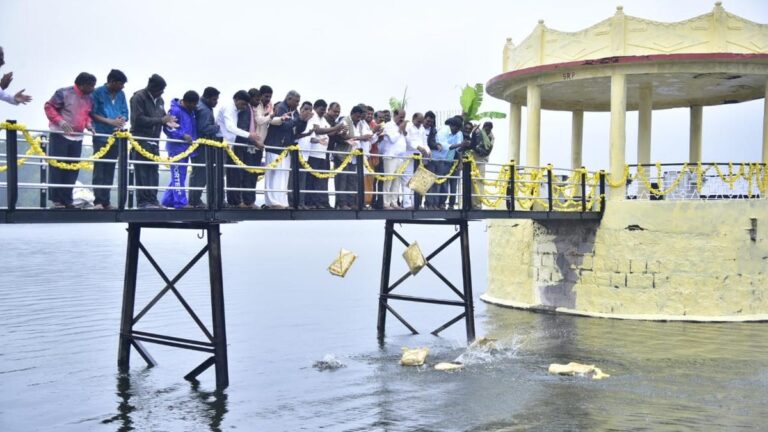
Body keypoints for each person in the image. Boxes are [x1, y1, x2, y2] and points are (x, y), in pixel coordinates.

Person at [43, 72, 97, 208]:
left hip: (78, 137)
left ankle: (67, 200)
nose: (93, 88)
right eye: (91, 86)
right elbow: (49, 107)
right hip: (60, 134)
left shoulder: (90, 98)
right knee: (58, 167)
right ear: (82, 85)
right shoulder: (63, 92)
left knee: (73, 168)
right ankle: (57, 200)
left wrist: (89, 125)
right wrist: (60, 122)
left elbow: (88, 115)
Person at [130, 74, 177, 209]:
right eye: (161, 89)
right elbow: (138, 119)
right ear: (153, 88)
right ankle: (144, 202)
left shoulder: (160, 100)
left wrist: (169, 122)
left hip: (155, 140)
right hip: (141, 139)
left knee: (153, 171)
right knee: (142, 172)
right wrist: (160, 120)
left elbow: (162, 117)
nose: (162, 92)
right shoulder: (138, 97)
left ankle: (153, 200)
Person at [90, 69, 128, 210]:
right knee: (100, 168)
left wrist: (121, 120)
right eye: (120, 84)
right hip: (101, 135)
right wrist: (110, 121)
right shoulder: (98, 92)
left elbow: (125, 112)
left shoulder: (121, 94)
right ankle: (98, 201)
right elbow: (92, 113)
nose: (122, 87)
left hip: (116, 137)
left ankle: (106, 201)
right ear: (111, 82)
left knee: (110, 169)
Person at [216, 90, 259, 208]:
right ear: (236, 99)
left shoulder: (237, 109)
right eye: (243, 104)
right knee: (223, 174)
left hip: (230, 145)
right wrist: (249, 135)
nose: (244, 107)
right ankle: (223, 201)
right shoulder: (229, 108)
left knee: (232, 174)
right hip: (222, 144)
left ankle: (232, 201)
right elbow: (230, 127)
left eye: (246, 105)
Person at [263, 90, 301, 208]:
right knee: (273, 174)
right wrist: (298, 120)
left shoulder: (294, 111)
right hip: (275, 145)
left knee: (283, 174)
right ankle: (272, 202)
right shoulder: (281, 107)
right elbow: (285, 125)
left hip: (285, 147)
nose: (298, 104)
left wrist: (303, 120)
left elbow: (298, 128)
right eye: (296, 101)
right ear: (289, 99)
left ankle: (281, 201)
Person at [161, 90, 199, 209]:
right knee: (178, 175)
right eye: (193, 104)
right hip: (176, 149)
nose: (195, 106)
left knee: (179, 176)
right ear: (187, 102)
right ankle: (181, 203)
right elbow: (168, 129)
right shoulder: (175, 111)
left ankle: (167, 200)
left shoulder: (190, 111)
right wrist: (183, 136)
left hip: (186, 149)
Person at [189, 86, 221, 208]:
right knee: (200, 174)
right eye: (214, 99)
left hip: (199, 145)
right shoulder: (205, 110)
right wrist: (217, 127)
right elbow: (203, 128)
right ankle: (195, 201)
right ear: (206, 98)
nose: (216, 102)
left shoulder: (202, 106)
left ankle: (194, 200)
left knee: (198, 173)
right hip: (202, 146)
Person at [425, 116, 464, 210]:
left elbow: (458, 149)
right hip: (433, 159)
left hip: (443, 160)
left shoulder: (456, 133)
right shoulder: (444, 131)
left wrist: (463, 146)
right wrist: (460, 145)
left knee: (439, 184)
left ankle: (435, 204)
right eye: (456, 128)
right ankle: (429, 204)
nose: (457, 131)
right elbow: (445, 146)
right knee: (431, 182)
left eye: (458, 129)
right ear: (451, 125)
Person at [379, 109, 408, 209]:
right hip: (390, 156)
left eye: (403, 117)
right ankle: (386, 203)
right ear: (395, 115)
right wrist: (400, 129)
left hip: (400, 157)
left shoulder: (401, 127)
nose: (402, 119)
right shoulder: (389, 125)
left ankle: (394, 202)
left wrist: (402, 130)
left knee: (397, 182)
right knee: (389, 180)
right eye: (400, 117)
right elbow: (392, 139)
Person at [290, 101, 315, 209]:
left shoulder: (311, 121)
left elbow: (310, 138)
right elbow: (294, 135)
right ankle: (292, 203)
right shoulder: (297, 118)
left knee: (302, 180)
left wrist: (318, 140)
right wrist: (306, 134)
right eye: (305, 109)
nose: (307, 111)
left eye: (310, 109)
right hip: (295, 153)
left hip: (305, 155)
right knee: (292, 179)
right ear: (301, 109)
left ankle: (301, 202)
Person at [404, 112, 430, 209]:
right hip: (409, 156)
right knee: (408, 179)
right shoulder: (408, 126)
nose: (420, 123)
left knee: (418, 181)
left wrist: (428, 151)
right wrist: (417, 147)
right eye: (418, 121)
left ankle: (416, 204)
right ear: (413, 118)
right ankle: (406, 204)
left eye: (421, 121)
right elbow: (408, 140)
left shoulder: (422, 128)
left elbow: (424, 142)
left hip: (420, 157)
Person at [468, 121, 495, 209]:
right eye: (486, 127)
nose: (487, 129)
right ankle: (471, 204)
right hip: (473, 160)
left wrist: (481, 152)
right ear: (483, 127)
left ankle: (478, 204)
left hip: (481, 161)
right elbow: (473, 145)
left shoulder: (491, 137)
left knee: (479, 182)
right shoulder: (478, 133)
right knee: (471, 182)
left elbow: (487, 151)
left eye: (489, 128)